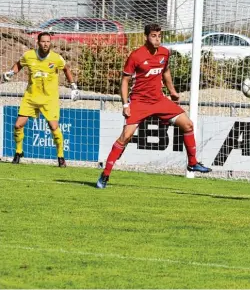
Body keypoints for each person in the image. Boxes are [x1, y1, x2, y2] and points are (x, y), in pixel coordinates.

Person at [96, 23, 211, 189]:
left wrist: (172, 91)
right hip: (139, 102)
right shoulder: (136, 56)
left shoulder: (165, 52)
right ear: (146, 37)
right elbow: (125, 80)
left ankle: (192, 163)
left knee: (188, 124)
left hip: (159, 100)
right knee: (126, 136)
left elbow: (165, 72)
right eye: (153, 36)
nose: (157, 39)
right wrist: (125, 104)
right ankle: (105, 174)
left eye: (159, 36)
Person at [2, 32, 80, 167]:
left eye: (48, 42)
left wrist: (73, 87)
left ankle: (61, 157)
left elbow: (66, 69)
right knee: (18, 125)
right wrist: (11, 72)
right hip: (31, 97)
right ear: (38, 42)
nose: (46, 44)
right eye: (43, 41)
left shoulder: (56, 58)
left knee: (53, 127)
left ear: (51, 43)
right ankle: (18, 152)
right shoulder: (29, 55)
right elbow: (18, 64)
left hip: (49, 99)